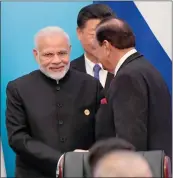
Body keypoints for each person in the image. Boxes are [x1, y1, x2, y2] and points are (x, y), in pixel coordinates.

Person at [5, 26, 103, 178]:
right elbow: (17, 137)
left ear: (69, 50)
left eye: (62, 53)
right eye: (48, 54)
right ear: (36, 55)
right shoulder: (18, 88)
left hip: (82, 172)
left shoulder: (91, 85)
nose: (57, 60)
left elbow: (103, 130)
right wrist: (61, 160)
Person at [94, 17, 172, 158]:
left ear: (106, 46)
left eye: (96, 48)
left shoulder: (126, 78)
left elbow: (130, 143)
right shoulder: (146, 69)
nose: (96, 57)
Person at [70, 4, 115, 93]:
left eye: (106, 33)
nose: (100, 41)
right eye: (93, 34)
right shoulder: (68, 72)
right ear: (79, 33)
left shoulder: (125, 70)